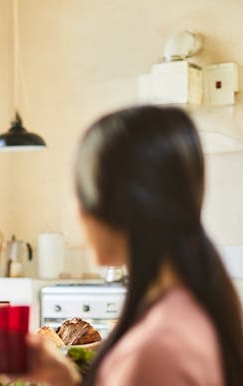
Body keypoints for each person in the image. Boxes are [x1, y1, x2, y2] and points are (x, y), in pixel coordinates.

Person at [23, 105, 243, 386]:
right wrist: (65, 379)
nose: (75, 210)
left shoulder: (154, 351)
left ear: (117, 206)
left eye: (81, 192)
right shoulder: (190, 307)